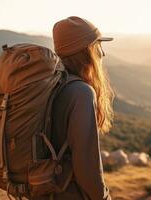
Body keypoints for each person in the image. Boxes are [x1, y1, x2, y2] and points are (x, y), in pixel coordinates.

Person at [49, 16, 114, 200]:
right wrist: (103, 197)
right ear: (88, 51)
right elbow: (87, 167)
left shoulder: (53, 84)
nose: (103, 53)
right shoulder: (81, 93)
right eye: (98, 45)